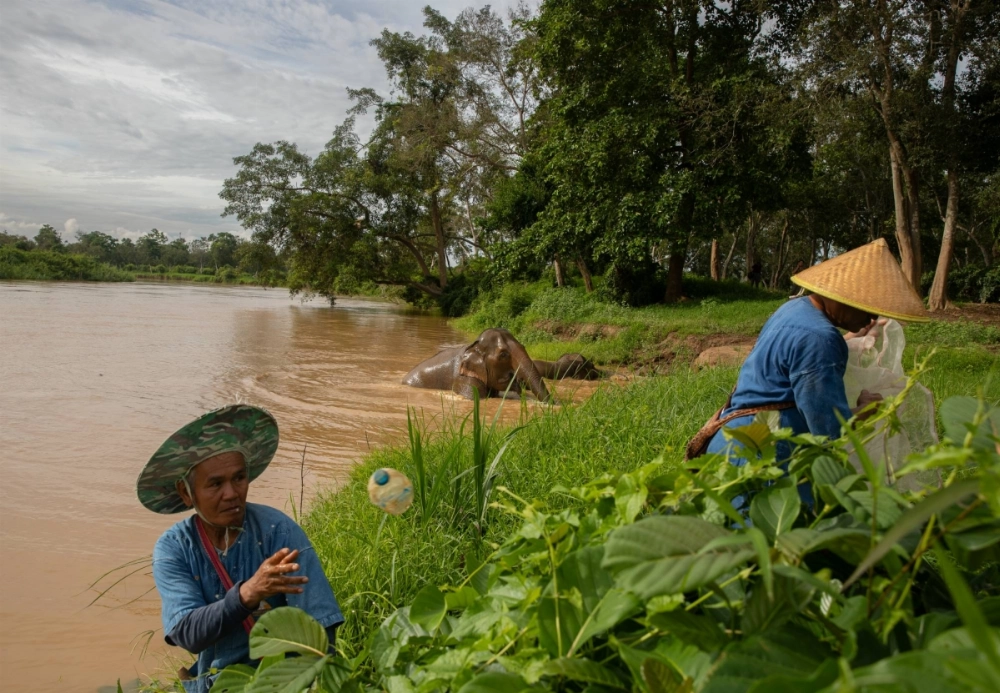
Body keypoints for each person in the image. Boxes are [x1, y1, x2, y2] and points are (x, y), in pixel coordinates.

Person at [688, 239, 930, 502]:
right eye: (865, 308)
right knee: (778, 538)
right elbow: (827, 430)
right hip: (766, 456)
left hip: (734, 441)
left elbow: (799, 360)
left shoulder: (794, 309)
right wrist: (862, 412)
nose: (871, 318)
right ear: (838, 295)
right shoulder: (820, 339)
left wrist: (850, 336)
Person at [136, 404, 343, 692]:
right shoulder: (174, 549)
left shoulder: (278, 531)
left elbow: (322, 628)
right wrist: (248, 594)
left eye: (238, 478)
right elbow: (187, 633)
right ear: (186, 493)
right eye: (216, 484)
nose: (232, 493)